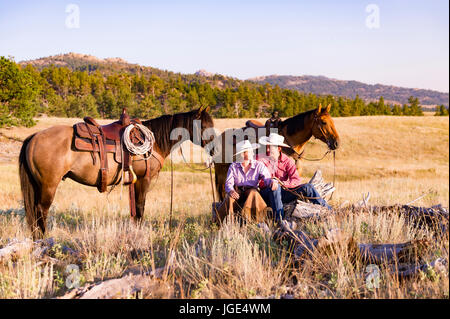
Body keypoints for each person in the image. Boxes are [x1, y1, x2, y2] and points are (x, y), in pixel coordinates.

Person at [257, 133, 332, 219]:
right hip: (267, 193)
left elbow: (296, 180)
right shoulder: (260, 159)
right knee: (275, 187)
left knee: (308, 187)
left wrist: (282, 183)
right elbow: (260, 182)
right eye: (267, 146)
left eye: (270, 147)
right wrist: (271, 182)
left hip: (284, 191)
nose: (267, 149)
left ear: (278, 148)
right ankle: (279, 220)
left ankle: (328, 210)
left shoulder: (287, 161)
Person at [216, 140, 275, 224]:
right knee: (230, 198)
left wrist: (271, 182)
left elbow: (267, 178)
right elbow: (229, 183)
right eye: (250, 151)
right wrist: (231, 190)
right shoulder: (233, 166)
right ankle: (227, 223)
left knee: (253, 193)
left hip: (251, 189)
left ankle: (254, 220)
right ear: (243, 154)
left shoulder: (258, 165)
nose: (253, 153)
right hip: (238, 190)